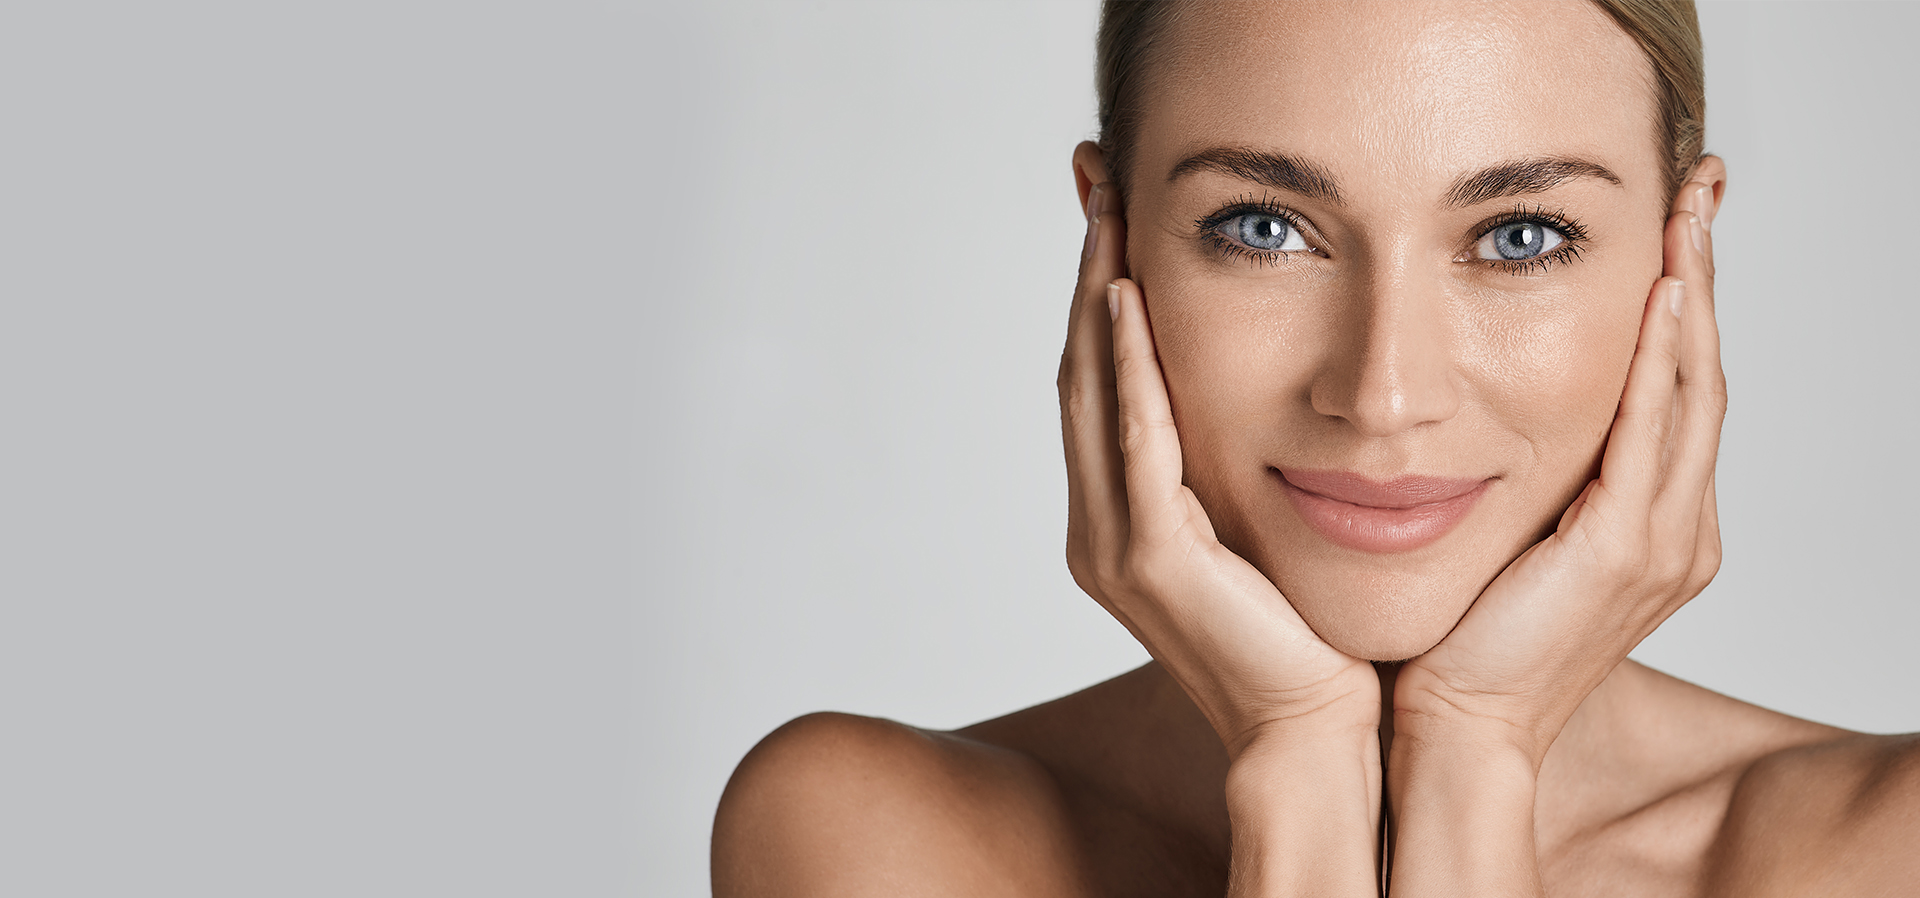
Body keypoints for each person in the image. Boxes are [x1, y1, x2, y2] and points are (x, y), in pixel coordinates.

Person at [710, 1, 1920, 894]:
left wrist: (1476, 749)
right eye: (1264, 226)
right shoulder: (879, 846)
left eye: (1518, 238)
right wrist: (1296, 773)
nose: (1383, 392)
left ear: (1681, 250)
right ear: (1111, 241)